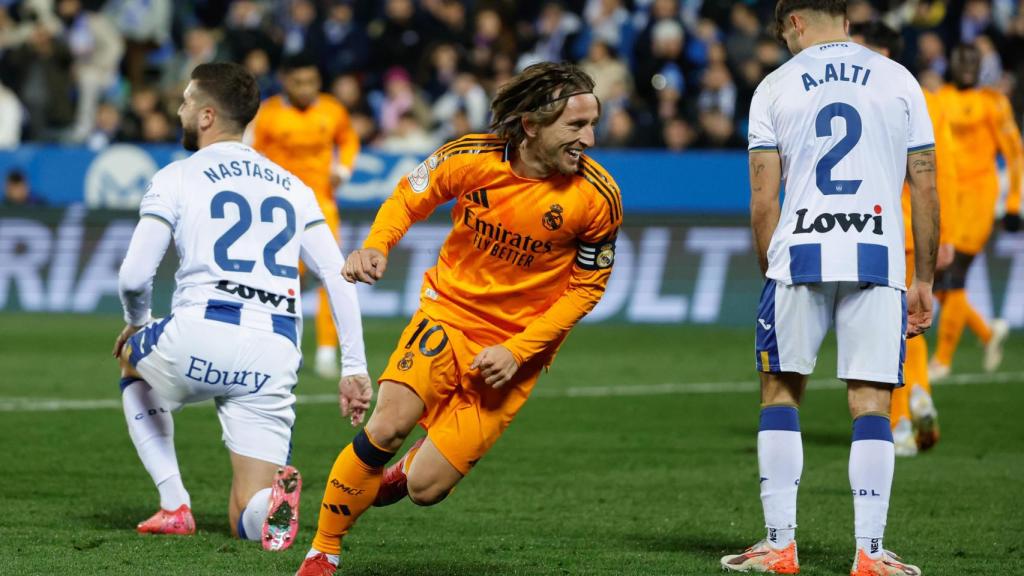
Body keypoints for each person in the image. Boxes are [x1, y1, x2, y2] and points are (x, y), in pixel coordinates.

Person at [295, 61, 622, 575]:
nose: (590, 139)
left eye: (592, 125)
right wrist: (377, 245)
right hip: (447, 316)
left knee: (425, 490)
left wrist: (518, 350)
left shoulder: (598, 198)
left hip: (515, 353)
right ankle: (322, 552)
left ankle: (394, 475)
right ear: (533, 125)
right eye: (576, 126)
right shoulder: (470, 157)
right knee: (386, 425)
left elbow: (587, 288)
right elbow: (409, 195)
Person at [113, 62, 368, 552]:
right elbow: (338, 276)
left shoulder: (178, 175)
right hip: (273, 351)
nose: (181, 109)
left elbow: (134, 275)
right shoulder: (294, 186)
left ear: (207, 115)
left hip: (199, 331)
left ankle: (174, 504)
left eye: (187, 102)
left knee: (131, 363)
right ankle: (270, 505)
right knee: (244, 510)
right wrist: (353, 366)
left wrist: (136, 324)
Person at [720, 2, 937, 574]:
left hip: (801, 255)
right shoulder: (899, 78)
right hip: (878, 255)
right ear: (842, 17)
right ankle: (869, 555)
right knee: (871, 404)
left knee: (781, 393)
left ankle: (779, 545)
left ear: (793, 22)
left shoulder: (774, 85)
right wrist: (923, 278)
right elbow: (924, 183)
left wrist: (771, 264)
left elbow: (764, 196)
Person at [849, 22, 957, 456]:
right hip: (913, 228)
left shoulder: (871, 99)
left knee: (882, 329)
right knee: (908, 321)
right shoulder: (922, 99)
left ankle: (899, 423)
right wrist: (941, 235)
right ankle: (919, 393)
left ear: (883, 54)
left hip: (882, 229)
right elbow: (938, 173)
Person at [251, 51, 361, 380]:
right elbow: (251, 152)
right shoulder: (268, 114)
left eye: (311, 82)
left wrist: (343, 168)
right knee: (280, 279)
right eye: (298, 82)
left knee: (333, 277)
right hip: (278, 210)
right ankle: (279, 346)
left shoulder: (332, 109)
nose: (305, 88)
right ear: (285, 81)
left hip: (322, 206)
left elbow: (349, 139)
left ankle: (327, 350)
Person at [928, 43, 1020, 381]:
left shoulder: (993, 103)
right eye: (960, 59)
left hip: (980, 196)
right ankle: (986, 333)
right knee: (939, 281)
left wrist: (1013, 204)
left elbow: (1015, 154)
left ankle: (943, 359)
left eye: (972, 60)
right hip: (947, 195)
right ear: (951, 63)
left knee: (954, 274)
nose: (966, 65)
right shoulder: (940, 99)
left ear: (981, 65)